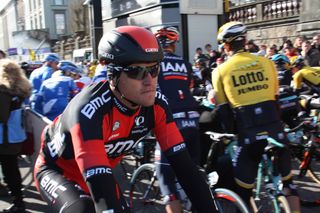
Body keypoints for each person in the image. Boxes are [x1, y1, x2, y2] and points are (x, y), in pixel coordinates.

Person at [33, 26, 216, 213]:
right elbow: (99, 182)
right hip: (58, 172)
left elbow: (186, 170)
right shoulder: (89, 111)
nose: (149, 80)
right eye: (136, 71)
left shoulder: (158, 106)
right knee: (83, 209)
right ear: (112, 75)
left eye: (154, 69)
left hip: (96, 172)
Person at [212, 21, 300, 212]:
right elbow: (275, 99)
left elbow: (224, 111)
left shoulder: (220, 71)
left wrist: (231, 133)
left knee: (243, 193)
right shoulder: (267, 62)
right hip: (275, 131)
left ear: (226, 46)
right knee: (289, 186)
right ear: (245, 41)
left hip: (249, 135)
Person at [154, 26, 202, 213]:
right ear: (174, 43)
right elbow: (189, 87)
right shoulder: (185, 63)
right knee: (191, 172)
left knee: (166, 180)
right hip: (192, 121)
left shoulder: (154, 63)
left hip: (171, 122)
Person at [0, 59, 32, 213]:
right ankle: (18, 202)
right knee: (12, 169)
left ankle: (18, 204)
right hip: (16, 136)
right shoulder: (20, 89)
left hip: (5, 138)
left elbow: (2, 116)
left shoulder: (3, 90)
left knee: (9, 171)